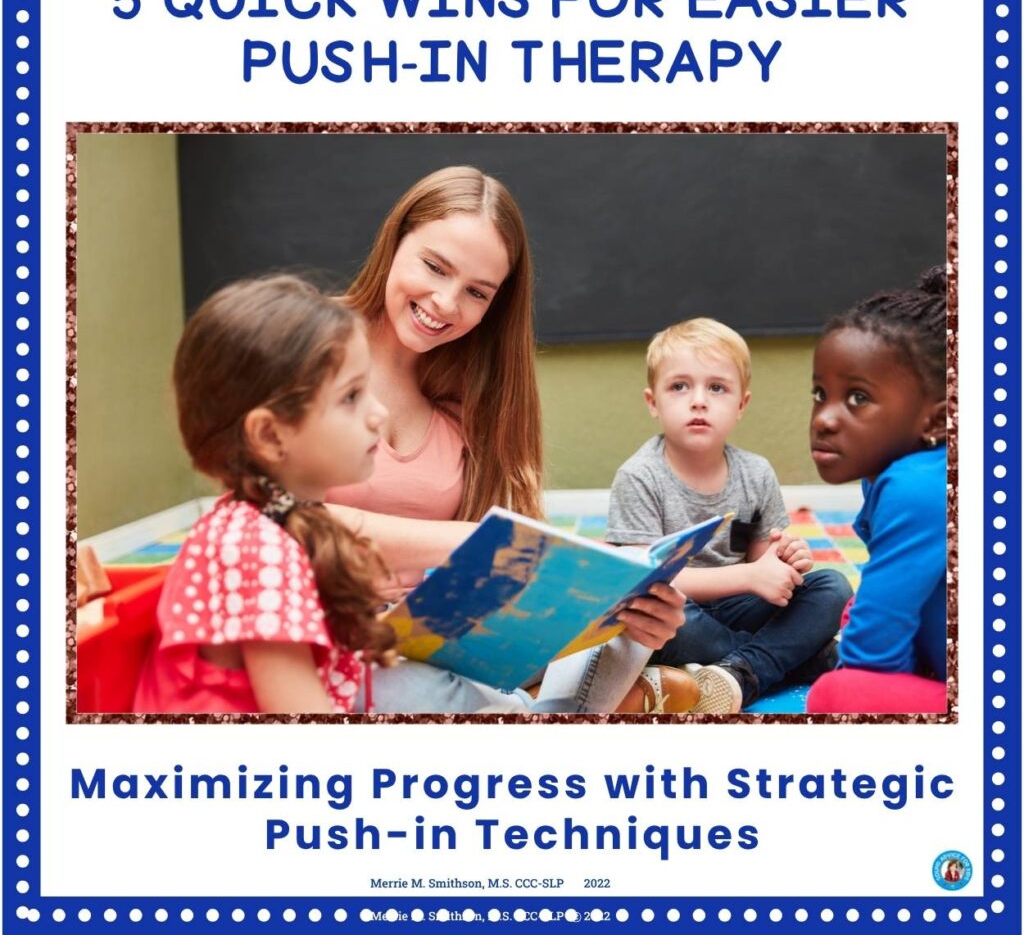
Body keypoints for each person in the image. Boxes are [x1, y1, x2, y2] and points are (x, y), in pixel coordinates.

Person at [326, 166, 697, 713]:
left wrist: (625, 613)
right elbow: (282, 519)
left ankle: (553, 706)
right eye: (434, 266)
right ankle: (578, 711)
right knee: (420, 690)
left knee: (635, 627)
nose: (447, 304)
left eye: (476, 292)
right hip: (331, 644)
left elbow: (505, 606)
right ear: (396, 237)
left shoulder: (469, 391)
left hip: (436, 650)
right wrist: (471, 542)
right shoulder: (309, 346)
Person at [134, 276, 394, 713]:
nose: (379, 412)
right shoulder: (256, 547)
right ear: (270, 435)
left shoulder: (271, 523)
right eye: (351, 396)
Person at [606, 317, 851, 712]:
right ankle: (786, 660)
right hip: (679, 613)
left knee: (832, 587)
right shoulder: (640, 476)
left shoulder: (755, 474)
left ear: (741, 404)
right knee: (647, 616)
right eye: (679, 386)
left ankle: (738, 672)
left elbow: (759, 560)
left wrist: (784, 562)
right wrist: (751, 576)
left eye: (717, 388)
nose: (698, 400)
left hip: (741, 603)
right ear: (654, 402)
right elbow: (644, 577)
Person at [806, 269, 948, 714]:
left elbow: (873, 657)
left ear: (935, 421)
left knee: (835, 695)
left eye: (858, 398)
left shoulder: (919, 485)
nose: (824, 418)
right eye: (820, 393)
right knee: (851, 611)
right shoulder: (895, 471)